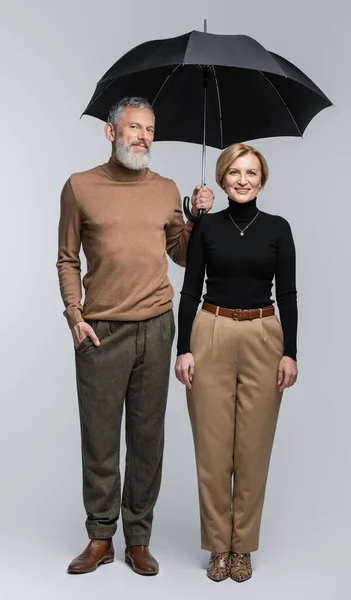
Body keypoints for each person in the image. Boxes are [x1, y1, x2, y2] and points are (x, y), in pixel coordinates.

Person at [56, 96, 214, 576]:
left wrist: (197, 219)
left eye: (149, 129)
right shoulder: (80, 187)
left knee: (147, 439)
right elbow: (67, 257)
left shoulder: (165, 189)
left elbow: (182, 254)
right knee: (100, 440)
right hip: (100, 331)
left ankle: (138, 539)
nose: (143, 136)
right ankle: (101, 537)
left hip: (156, 325)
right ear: (111, 132)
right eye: (134, 128)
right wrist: (74, 314)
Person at [175, 143, 298, 582]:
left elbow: (288, 294)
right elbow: (189, 290)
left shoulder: (278, 229)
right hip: (210, 330)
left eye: (251, 172)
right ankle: (218, 547)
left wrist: (291, 352)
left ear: (261, 179)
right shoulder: (206, 228)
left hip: (265, 335)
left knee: (253, 449)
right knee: (211, 451)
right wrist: (182, 348)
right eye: (234, 173)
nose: (243, 180)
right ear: (222, 179)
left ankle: (242, 547)